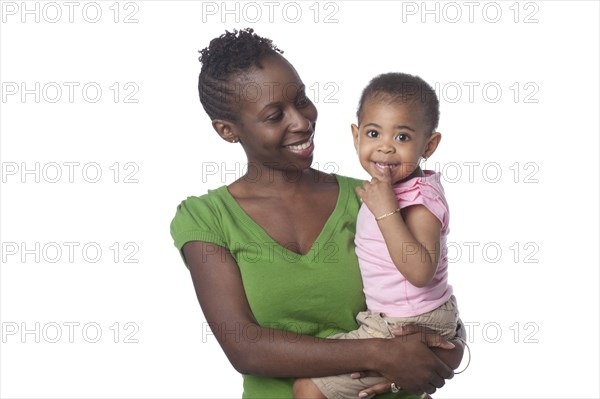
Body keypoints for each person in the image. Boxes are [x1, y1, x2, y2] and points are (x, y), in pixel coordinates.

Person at [170, 28, 465, 399]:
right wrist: (384, 353)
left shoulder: (371, 199)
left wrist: (453, 350)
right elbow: (245, 347)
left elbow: (429, 298)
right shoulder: (206, 219)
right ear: (227, 131)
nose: (301, 121)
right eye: (275, 115)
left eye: (302, 100)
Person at [292, 73, 463, 399]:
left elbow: (420, 272)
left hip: (409, 323)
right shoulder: (388, 189)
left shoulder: (419, 200)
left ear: (429, 145)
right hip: (398, 317)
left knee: (307, 389)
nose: (385, 147)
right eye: (373, 133)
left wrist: (386, 211)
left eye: (402, 137)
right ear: (356, 136)